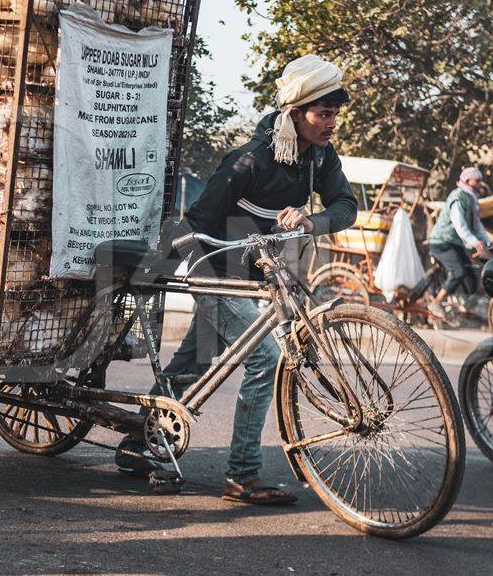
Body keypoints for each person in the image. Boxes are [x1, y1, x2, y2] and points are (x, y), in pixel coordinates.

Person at [116, 55, 358, 505]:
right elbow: (196, 222)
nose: (331, 124)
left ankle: (137, 442)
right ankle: (242, 475)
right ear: (296, 113)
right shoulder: (249, 160)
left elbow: (346, 205)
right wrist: (150, 273)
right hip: (214, 268)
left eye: (334, 115)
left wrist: (312, 220)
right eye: (323, 114)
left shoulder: (319, 157)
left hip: (252, 275)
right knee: (267, 357)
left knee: (194, 359)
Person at [428, 166, 490, 318]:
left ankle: (463, 308)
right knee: (459, 271)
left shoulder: (471, 198)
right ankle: (436, 302)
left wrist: (488, 242)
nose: (480, 184)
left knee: (471, 275)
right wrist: (475, 242)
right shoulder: (458, 197)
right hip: (441, 242)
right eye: (477, 180)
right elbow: (460, 225)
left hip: (454, 244)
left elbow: (477, 226)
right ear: (468, 180)